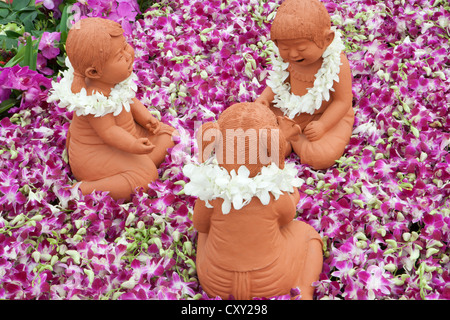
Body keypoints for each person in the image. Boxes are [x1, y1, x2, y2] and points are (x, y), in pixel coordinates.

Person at [183, 102, 323, 300]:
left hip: (216, 284)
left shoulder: (211, 193)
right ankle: (304, 293)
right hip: (271, 282)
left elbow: (200, 225)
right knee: (307, 235)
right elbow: (287, 218)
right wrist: (292, 193)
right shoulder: (273, 194)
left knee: (205, 232)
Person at [48, 17, 176, 201]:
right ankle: (83, 190)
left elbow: (129, 99)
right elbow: (109, 131)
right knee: (146, 178)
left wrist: (146, 118)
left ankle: (140, 163)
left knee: (169, 136)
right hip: (97, 155)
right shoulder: (92, 97)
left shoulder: (111, 78)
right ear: (93, 73)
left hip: (126, 136)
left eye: (125, 46)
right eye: (119, 56)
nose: (128, 54)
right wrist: (132, 145)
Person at [256, 0, 354, 170]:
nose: (293, 54)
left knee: (321, 155)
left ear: (327, 39)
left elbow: (342, 102)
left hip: (324, 115)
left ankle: (290, 139)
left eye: (301, 49)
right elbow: (280, 81)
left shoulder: (338, 63)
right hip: (289, 109)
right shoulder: (287, 60)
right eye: (285, 48)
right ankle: (286, 137)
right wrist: (265, 98)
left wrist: (323, 126)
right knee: (258, 122)